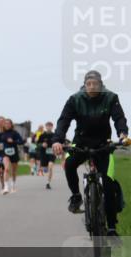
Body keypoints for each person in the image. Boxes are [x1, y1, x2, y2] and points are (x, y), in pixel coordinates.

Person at [52, 70, 129, 237]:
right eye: (88, 84)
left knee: (108, 184)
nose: (92, 86)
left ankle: (112, 228)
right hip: (81, 143)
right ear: (84, 85)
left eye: (95, 83)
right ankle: (76, 196)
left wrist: (123, 134)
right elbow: (63, 120)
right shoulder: (75, 99)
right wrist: (57, 140)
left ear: (100, 85)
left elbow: (119, 118)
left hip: (103, 145)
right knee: (69, 165)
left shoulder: (111, 98)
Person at [0, 119, 24, 194]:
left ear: (11, 125)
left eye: (8, 123)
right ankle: (6, 187)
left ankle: (13, 185)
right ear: (4, 125)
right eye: (6, 123)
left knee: (13, 171)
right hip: (5, 153)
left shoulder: (15, 133)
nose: (7, 125)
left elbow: (21, 141)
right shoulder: (2, 133)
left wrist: (13, 141)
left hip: (14, 153)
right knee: (6, 169)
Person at [39, 121, 57, 189]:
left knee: (50, 166)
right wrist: (42, 144)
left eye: (50, 126)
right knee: (45, 169)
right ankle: (45, 169)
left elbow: (58, 142)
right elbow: (37, 145)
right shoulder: (42, 135)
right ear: (45, 127)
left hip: (52, 153)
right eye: (47, 126)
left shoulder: (54, 135)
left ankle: (48, 182)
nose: (49, 127)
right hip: (44, 154)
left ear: (52, 127)